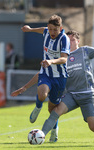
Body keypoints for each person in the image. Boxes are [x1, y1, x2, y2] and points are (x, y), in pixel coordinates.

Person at [11, 30, 94, 142]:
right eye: (67, 40)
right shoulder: (60, 58)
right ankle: (41, 136)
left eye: (72, 40)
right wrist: (25, 87)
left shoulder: (85, 51)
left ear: (78, 41)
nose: (70, 42)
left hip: (87, 95)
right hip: (71, 94)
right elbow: (42, 73)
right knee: (55, 111)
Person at [20, 14, 70, 142]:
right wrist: (30, 29)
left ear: (61, 28)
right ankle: (37, 107)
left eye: (55, 30)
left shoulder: (64, 39)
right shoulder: (46, 31)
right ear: (48, 27)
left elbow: (64, 59)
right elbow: (42, 29)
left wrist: (51, 61)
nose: (52, 32)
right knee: (42, 94)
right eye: (51, 29)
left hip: (60, 77)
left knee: (52, 109)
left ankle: (54, 130)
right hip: (46, 72)